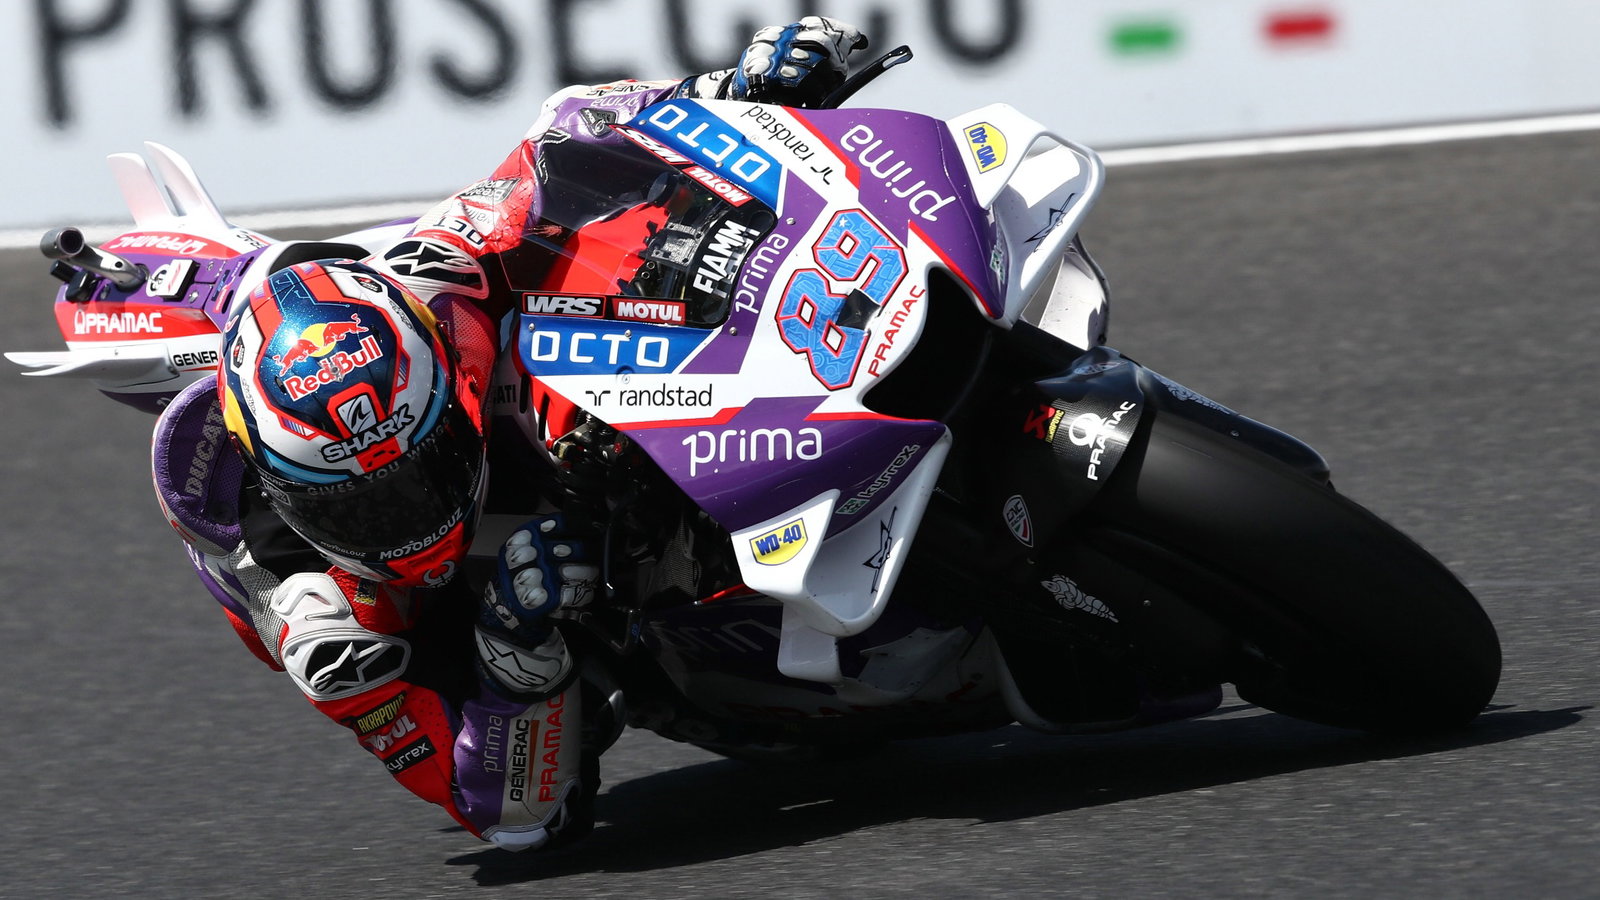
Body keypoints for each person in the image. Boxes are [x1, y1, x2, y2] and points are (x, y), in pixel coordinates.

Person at [150, 17, 869, 852]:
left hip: (552, 447)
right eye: (370, 506)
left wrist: (730, 91)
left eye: (420, 472)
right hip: (522, 643)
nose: (413, 518)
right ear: (288, 489)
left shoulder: (435, 284)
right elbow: (509, 816)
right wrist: (511, 644)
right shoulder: (323, 629)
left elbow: (566, 134)